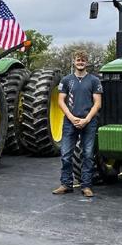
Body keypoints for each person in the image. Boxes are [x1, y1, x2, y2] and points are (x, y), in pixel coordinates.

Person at [53, 51, 103, 198]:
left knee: (87, 155)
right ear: (74, 62)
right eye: (78, 60)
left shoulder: (94, 81)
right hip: (70, 122)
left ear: (87, 63)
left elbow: (97, 103)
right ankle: (66, 184)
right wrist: (71, 117)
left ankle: (86, 186)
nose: (80, 62)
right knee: (66, 155)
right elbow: (61, 100)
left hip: (89, 122)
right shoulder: (67, 80)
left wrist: (86, 119)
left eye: (83, 60)